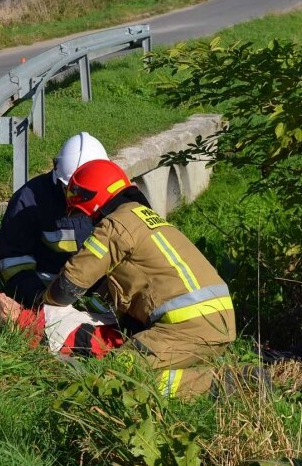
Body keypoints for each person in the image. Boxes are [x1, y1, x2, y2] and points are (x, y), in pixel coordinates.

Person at [44, 159, 236, 397]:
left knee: (119, 375)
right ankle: (213, 376)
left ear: (91, 201)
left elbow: (71, 282)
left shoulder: (115, 225)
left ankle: (221, 384)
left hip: (186, 328)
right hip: (219, 322)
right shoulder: (146, 218)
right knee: (134, 365)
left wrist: (43, 303)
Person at [0, 132, 122, 357]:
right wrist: (39, 298)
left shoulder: (112, 197)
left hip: (103, 293)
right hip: (50, 293)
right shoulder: (30, 200)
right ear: (59, 176)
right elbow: (13, 261)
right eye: (72, 189)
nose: (77, 198)